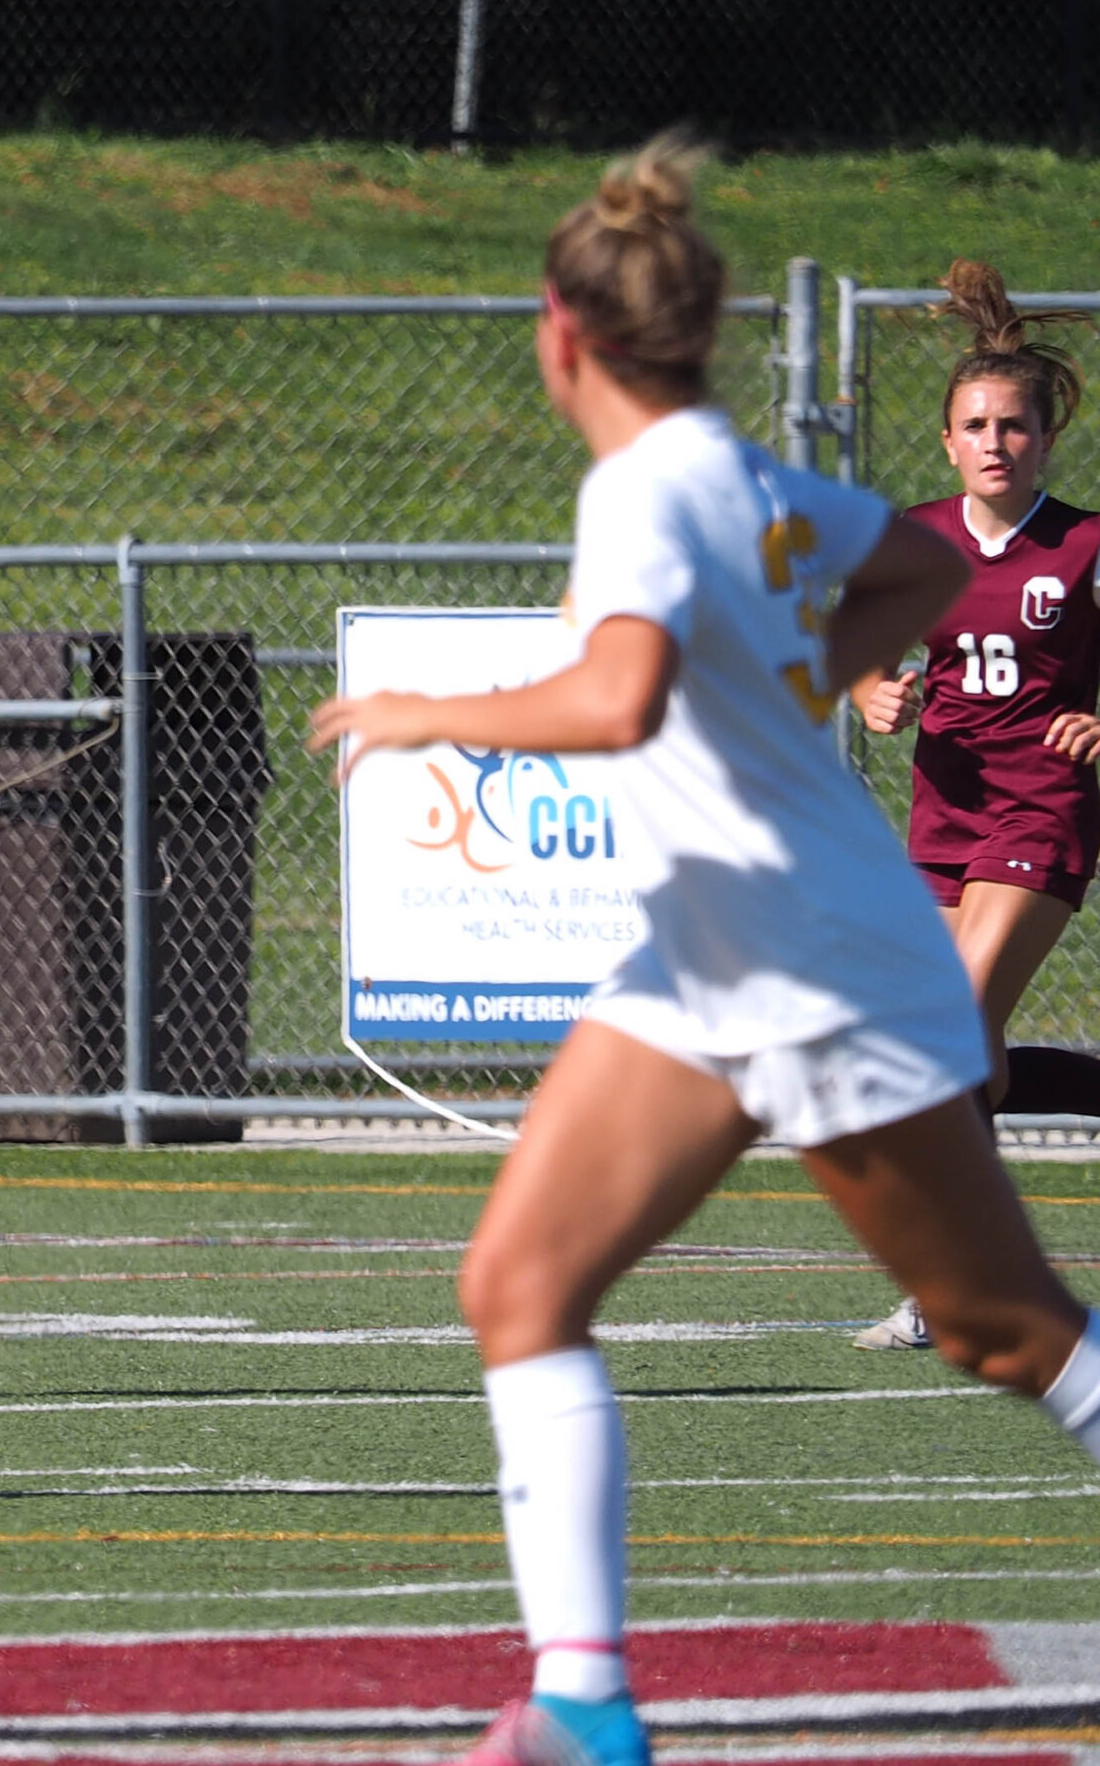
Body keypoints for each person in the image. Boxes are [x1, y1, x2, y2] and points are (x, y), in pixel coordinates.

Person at [305, 140, 1100, 1766]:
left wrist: (420, 714)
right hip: (709, 950)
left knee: (1000, 1333)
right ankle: (587, 1706)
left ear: (558, 335)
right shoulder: (735, 470)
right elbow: (931, 567)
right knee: (520, 1282)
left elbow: (618, 699)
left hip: (811, 958)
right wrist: (817, 673)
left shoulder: (649, 484)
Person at [849, 262, 1100, 1351]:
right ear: (946, 441)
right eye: (974, 425)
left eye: (1013, 425)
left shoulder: (1084, 546)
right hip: (942, 814)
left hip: (1041, 807)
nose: (994, 441)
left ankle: (953, 1284)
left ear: (1045, 439)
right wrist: (870, 692)